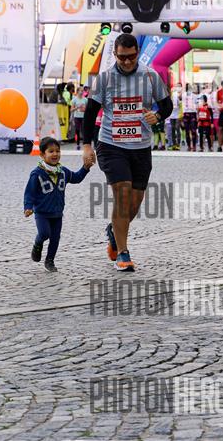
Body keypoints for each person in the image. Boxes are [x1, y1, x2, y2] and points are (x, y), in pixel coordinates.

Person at [81, 33, 172, 271]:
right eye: (122, 57)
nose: (127, 62)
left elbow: (167, 105)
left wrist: (158, 116)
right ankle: (123, 253)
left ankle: (114, 230)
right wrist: (87, 146)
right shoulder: (104, 79)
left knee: (134, 203)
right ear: (115, 54)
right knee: (122, 194)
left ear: (137, 53)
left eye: (131, 57)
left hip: (140, 147)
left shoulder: (150, 76)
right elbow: (90, 113)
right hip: (111, 145)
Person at [24, 137, 93, 272]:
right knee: (44, 233)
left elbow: (76, 178)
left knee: (55, 238)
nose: (55, 154)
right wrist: (28, 207)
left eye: (57, 151)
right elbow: (29, 192)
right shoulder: (37, 173)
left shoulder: (63, 171)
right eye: (51, 151)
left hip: (57, 213)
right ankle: (37, 244)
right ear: (42, 155)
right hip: (42, 213)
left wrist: (85, 168)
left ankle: (50, 260)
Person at [182, 83, 198, 152]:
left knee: (193, 131)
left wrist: (197, 115)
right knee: (187, 131)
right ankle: (189, 146)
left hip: (193, 114)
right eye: (187, 87)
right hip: (186, 114)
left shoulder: (194, 96)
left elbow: (197, 105)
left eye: (189, 87)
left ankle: (194, 146)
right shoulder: (183, 95)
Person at [168, 82, 182, 150]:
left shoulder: (179, 95)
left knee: (177, 128)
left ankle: (178, 144)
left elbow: (181, 103)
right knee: (172, 128)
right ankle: (174, 144)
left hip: (178, 114)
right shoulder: (170, 96)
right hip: (172, 114)